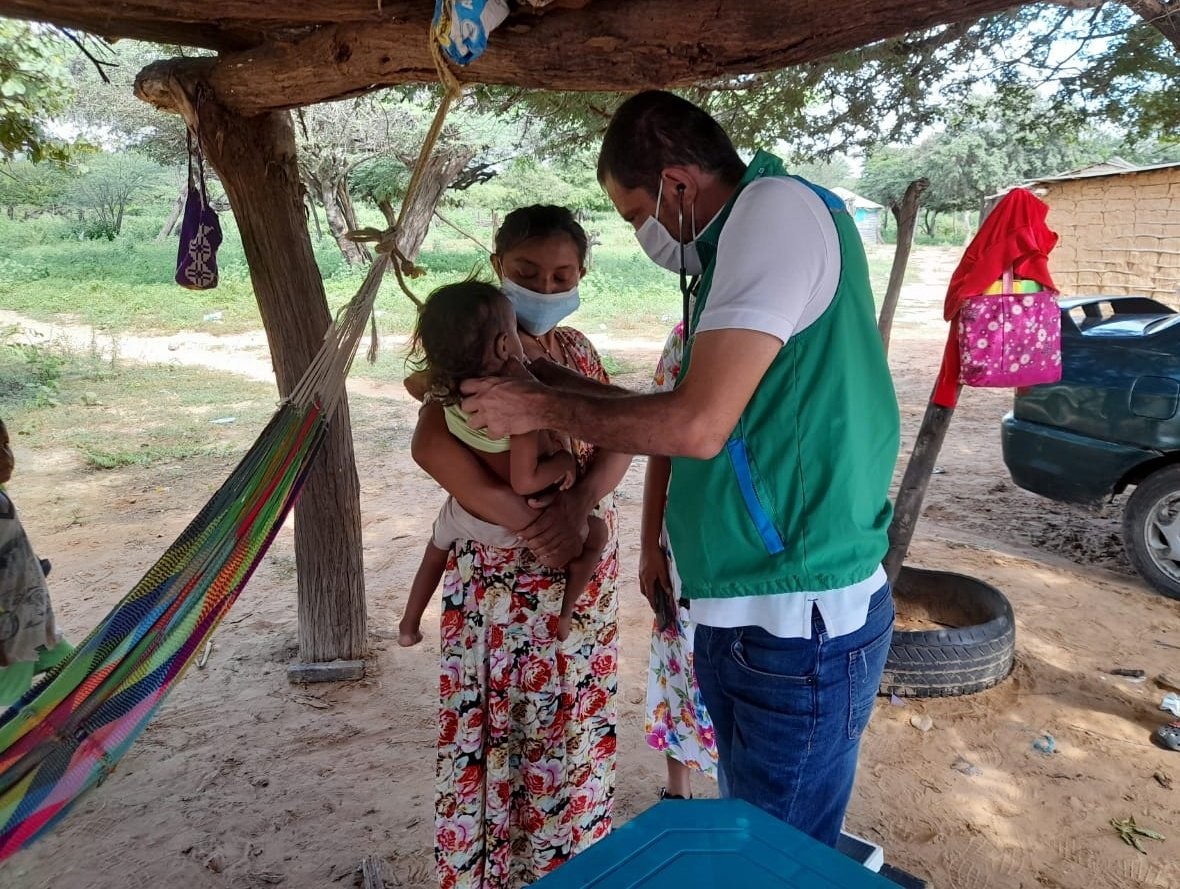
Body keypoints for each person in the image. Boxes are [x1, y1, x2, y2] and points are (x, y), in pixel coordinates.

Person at [460, 92, 900, 847]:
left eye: (635, 215)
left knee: (774, 858)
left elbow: (694, 425)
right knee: (753, 834)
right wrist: (548, 389)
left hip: (797, 618)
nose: (643, 235)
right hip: (750, 611)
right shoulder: (739, 243)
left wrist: (540, 409)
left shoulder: (774, 213)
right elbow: (681, 411)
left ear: (677, 185)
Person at [409, 205, 631, 888]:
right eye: (527, 271)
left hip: (574, 594)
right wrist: (532, 518)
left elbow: (621, 433)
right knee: (495, 742)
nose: (546, 284)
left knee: (566, 740)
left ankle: (566, 871)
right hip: (496, 600)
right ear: (497, 268)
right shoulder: (468, 352)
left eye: (562, 273)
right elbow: (432, 441)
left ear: (582, 276)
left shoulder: (576, 354)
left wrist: (577, 505)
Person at [398, 280, 608, 645]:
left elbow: (414, 384)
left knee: (435, 548)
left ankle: (408, 626)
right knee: (597, 534)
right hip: (513, 524)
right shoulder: (516, 407)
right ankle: (566, 611)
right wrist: (563, 463)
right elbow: (525, 481)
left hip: (463, 514)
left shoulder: (448, 394)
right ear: (503, 344)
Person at [640, 322, 718, 799]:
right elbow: (660, 449)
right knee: (677, 652)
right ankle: (678, 790)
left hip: (753, 548)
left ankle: (738, 796)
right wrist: (649, 544)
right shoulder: (686, 339)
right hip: (683, 540)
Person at [0, 417, 73, 709]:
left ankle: (63, 734)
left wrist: (30, 568)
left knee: (72, 670)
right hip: (8, 630)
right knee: (12, 706)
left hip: (31, 618)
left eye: (6, 445)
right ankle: (17, 749)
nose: (6, 457)